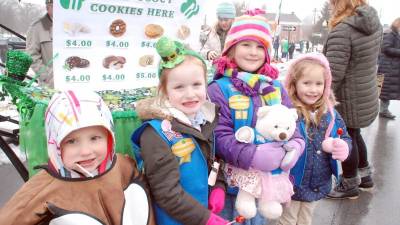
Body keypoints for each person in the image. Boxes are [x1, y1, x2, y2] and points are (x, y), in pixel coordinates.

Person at [207, 9, 305, 224]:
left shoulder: (275, 88)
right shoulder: (218, 89)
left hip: (265, 184)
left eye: (260, 46)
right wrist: (251, 155)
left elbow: (291, 123)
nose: (253, 52)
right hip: (230, 184)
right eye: (246, 45)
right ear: (231, 50)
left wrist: (297, 144)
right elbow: (217, 134)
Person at [0, 90, 156, 225]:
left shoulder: (123, 166)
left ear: (109, 137)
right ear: (55, 143)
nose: (86, 151)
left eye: (95, 138)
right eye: (71, 141)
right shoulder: (44, 189)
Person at [131, 37, 227, 225]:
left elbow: (212, 159)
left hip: (200, 214)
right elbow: (166, 192)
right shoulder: (155, 133)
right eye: (179, 87)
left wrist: (219, 186)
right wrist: (205, 218)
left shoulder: (203, 120)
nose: (190, 94)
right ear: (165, 91)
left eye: (196, 85)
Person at [277, 53, 351, 225]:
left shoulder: (330, 113)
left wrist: (343, 147)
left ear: (326, 86)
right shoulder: (287, 112)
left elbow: (344, 136)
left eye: (319, 84)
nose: (313, 89)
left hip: (318, 181)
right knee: (286, 220)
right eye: (306, 83)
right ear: (294, 84)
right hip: (292, 182)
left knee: (306, 219)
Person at [323, 0, 382, 199]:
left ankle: (349, 183)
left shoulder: (343, 30)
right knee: (355, 134)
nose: (330, 6)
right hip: (365, 91)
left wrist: (322, 97)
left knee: (346, 138)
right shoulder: (373, 25)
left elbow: (334, 73)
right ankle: (364, 177)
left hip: (348, 97)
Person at [26, 0, 53, 88]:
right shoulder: (37, 27)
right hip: (51, 87)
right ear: (47, 7)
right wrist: (48, 75)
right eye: (53, 6)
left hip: (76, 83)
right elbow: (32, 56)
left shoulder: (73, 24)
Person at [377, 17, 400, 120]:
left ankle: (383, 110)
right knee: (384, 90)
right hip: (387, 66)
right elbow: (385, 48)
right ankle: (383, 111)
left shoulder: (395, 34)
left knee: (386, 90)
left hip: (391, 66)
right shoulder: (390, 34)